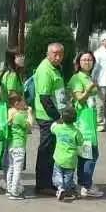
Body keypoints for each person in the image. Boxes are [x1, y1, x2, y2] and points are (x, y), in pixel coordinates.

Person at [32, 42, 67, 196]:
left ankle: (50, 181)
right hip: (47, 117)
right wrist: (58, 117)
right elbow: (45, 98)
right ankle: (42, 184)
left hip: (55, 114)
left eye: (60, 54)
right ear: (48, 54)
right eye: (55, 54)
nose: (58, 57)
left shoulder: (56, 68)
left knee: (52, 149)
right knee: (46, 150)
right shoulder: (45, 70)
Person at [69, 52, 102, 198]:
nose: (87, 62)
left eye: (90, 59)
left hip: (90, 118)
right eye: (84, 59)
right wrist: (89, 89)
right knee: (90, 153)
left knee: (88, 153)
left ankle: (83, 183)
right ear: (78, 62)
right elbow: (80, 99)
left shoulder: (89, 77)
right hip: (83, 120)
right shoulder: (77, 78)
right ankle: (85, 185)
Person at [4, 90, 32, 200]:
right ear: (17, 103)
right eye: (23, 101)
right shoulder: (19, 116)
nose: (25, 103)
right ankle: (14, 192)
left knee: (11, 167)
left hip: (11, 144)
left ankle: (9, 188)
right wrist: (29, 113)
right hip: (19, 145)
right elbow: (29, 126)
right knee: (17, 169)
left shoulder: (10, 113)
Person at [52, 105, 82, 202]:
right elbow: (80, 142)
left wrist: (58, 121)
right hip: (70, 159)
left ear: (62, 117)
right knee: (68, 177)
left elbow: (52, 128)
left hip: (59, 157)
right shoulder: (76, 132)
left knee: (57, 174)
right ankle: (66, 188)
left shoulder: (58, 128)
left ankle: (60, 188)